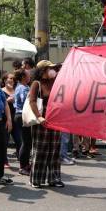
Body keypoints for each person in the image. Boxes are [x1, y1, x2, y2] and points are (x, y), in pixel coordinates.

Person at [27, 60, 64, 188]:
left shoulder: (55, 82)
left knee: (54, 151)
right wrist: (39, 117)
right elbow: (32, 102)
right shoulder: (36, 84)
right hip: (41, 122)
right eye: (50, 68)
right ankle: (35, 179)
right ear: (43, 70)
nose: (53, 70)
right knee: (40, 150)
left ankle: (54, 179)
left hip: (55, 121)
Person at [13, 69, 31, 175]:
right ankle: (23, 166)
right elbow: (25, 101)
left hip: (22, 115)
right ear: (23, 77)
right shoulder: (22, 88)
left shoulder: (24, 87)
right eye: (28, 75)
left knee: (27, 142)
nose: (30, 76)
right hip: (22, 115)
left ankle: (26, 164)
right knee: (26, 142)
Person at [2, 72, 18, 167]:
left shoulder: (17, 90)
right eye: (10, 78)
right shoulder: (1, 90)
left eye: (13, 79)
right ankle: (4, 161)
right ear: (5, 80)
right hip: (5, 119)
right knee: (5, 140)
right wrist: (7, 101)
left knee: (19, 140)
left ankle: (23, 162)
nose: (12, 80)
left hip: (16, 118)